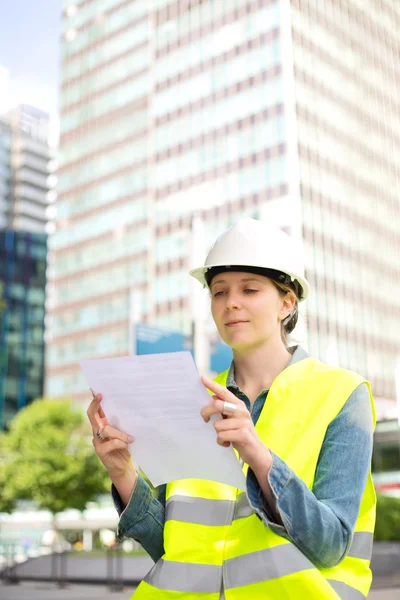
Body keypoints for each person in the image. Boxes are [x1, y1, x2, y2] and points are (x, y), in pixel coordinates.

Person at [87, 218, 376, 599]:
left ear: (287, 303)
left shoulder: (341, 393)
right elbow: (171, 550)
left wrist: (258, 455)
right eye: (219, 292)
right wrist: (124, 473)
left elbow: (330, 544)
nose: (231, 302)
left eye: (250, 289)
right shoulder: (193, 399)